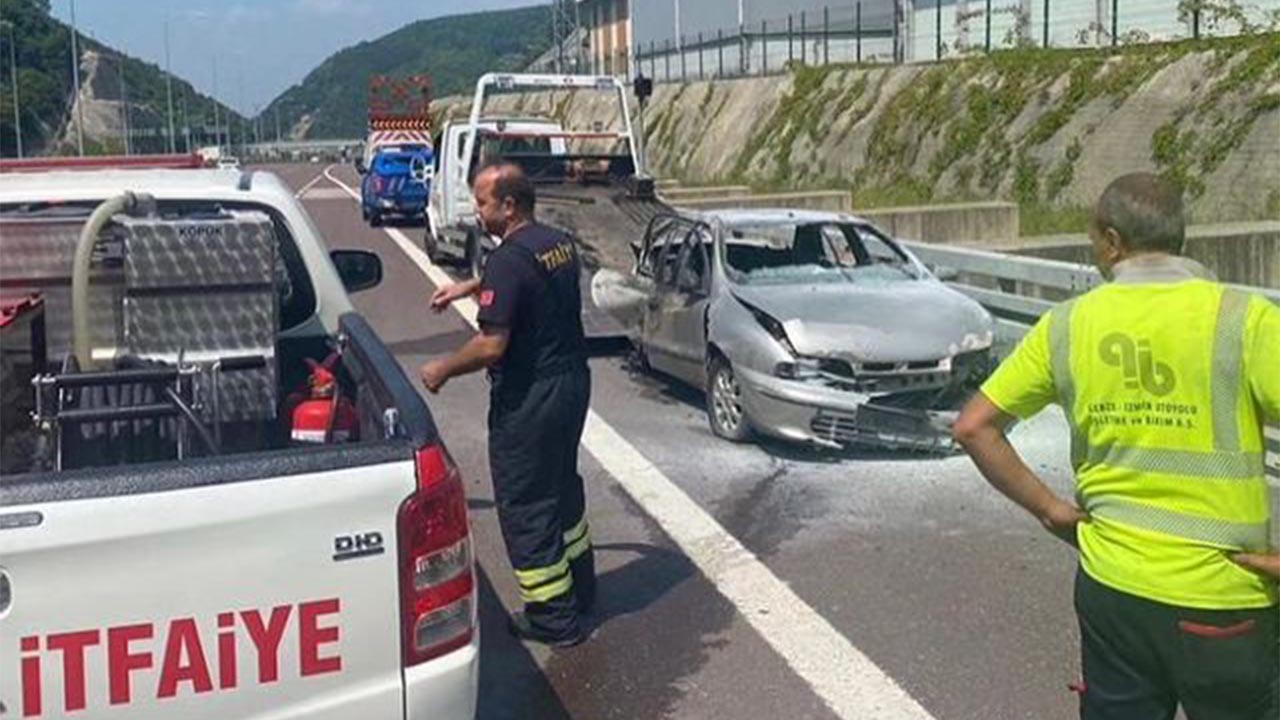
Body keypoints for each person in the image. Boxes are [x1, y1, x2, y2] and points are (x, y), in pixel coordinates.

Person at [953, 172, 1279, 719]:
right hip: (1224, 595)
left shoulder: (1068, 324)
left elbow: (973, 427)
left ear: (1111, 241)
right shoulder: (1244, 319)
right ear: (1180, 238)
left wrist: (1051, 509)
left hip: (1114, 591)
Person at [420, 163, 595, 647]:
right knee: (561, 487)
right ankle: (582, 592)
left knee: (525, 503)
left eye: (481, 202)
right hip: (572, 384)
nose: (476, 210)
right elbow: (521, 277)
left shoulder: (508, 261)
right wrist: (470, 287)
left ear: (509, 205)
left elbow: (491, 346)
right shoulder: (556, 242)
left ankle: (554, 621)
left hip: (530, 397)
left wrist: (442, 369)